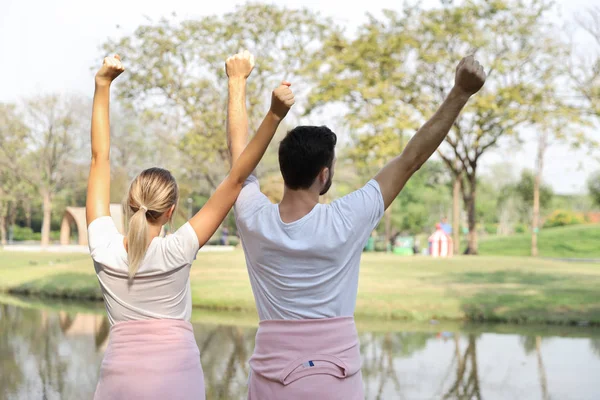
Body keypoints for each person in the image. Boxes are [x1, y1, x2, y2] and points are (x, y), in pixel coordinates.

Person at [228, 55, 486, 399]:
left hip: (271, 378)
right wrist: (460, 93)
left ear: (285, 168)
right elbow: (409, 160)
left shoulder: (253, 217)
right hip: (336, 378)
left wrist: (237, 81)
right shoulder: (346, 219)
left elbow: (239, 158)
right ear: (324, 175)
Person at [86, 51, 294, 400]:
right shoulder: (178, 249)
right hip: (177, 383)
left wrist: (102, 84)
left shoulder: (103, 247)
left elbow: (99, 158)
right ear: (171, 211)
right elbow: (238, 176)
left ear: (128, 203)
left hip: (118, 385)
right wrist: (272, 113)